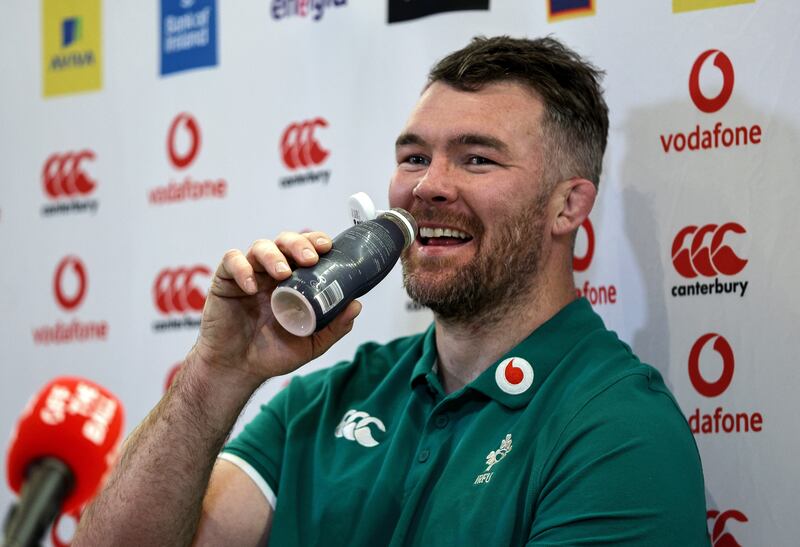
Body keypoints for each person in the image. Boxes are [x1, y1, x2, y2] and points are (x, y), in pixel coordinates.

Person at [74, 36, 709, 546]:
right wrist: (218, 372)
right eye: (413, 157)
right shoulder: (322, 403)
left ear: (568, 206)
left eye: (477, 159)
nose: (427, 186)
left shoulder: (618, 427)